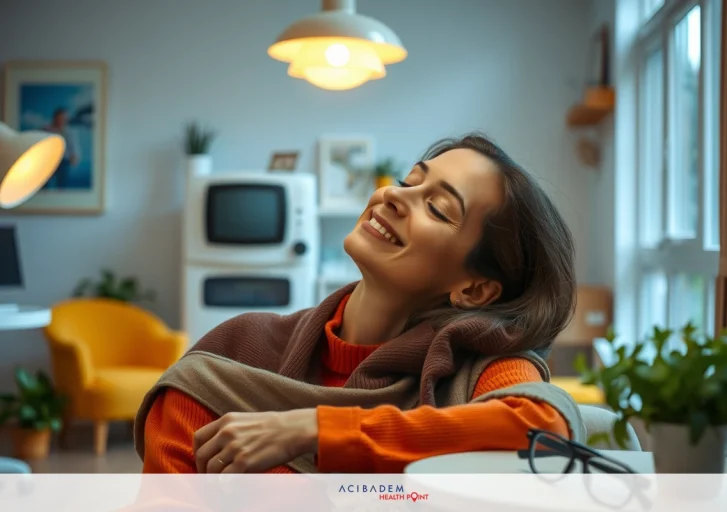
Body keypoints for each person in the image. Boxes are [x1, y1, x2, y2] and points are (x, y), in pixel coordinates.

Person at [135, 133, 585, 474]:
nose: (394, 195)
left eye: (438, 208)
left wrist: (315, 429)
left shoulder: (477, 371)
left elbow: (545, 427)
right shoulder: (228, 360)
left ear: (474, 291)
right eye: (410, 180)